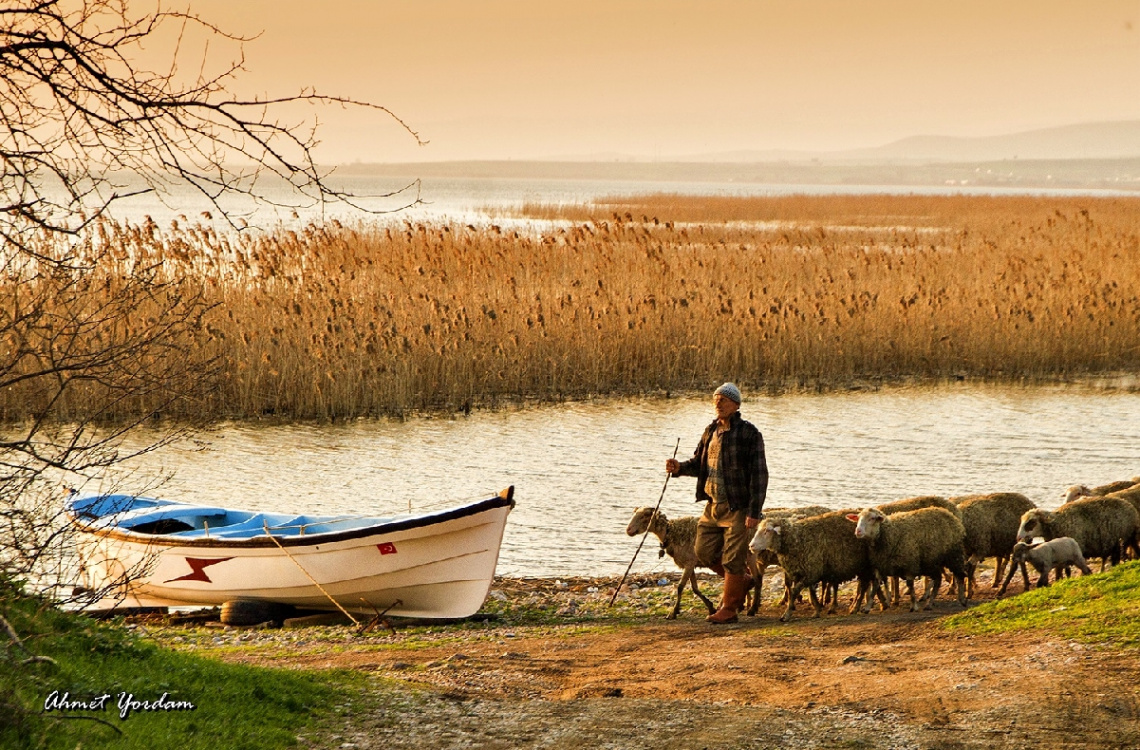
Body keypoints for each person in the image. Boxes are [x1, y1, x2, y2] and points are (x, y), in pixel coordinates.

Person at [666, 382, 768, 623]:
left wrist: (754, 512)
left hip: (738, 507)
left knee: (733, 557)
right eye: (715, 399)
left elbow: (759, 475)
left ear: (736, 405)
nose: (718, 403)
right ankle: (741, 582)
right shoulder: (710, 431)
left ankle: (729, 609)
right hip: (712, 505)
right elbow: (698, 464)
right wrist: (679, 468)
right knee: (703, 551)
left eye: (723, 399)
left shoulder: (749, 434)